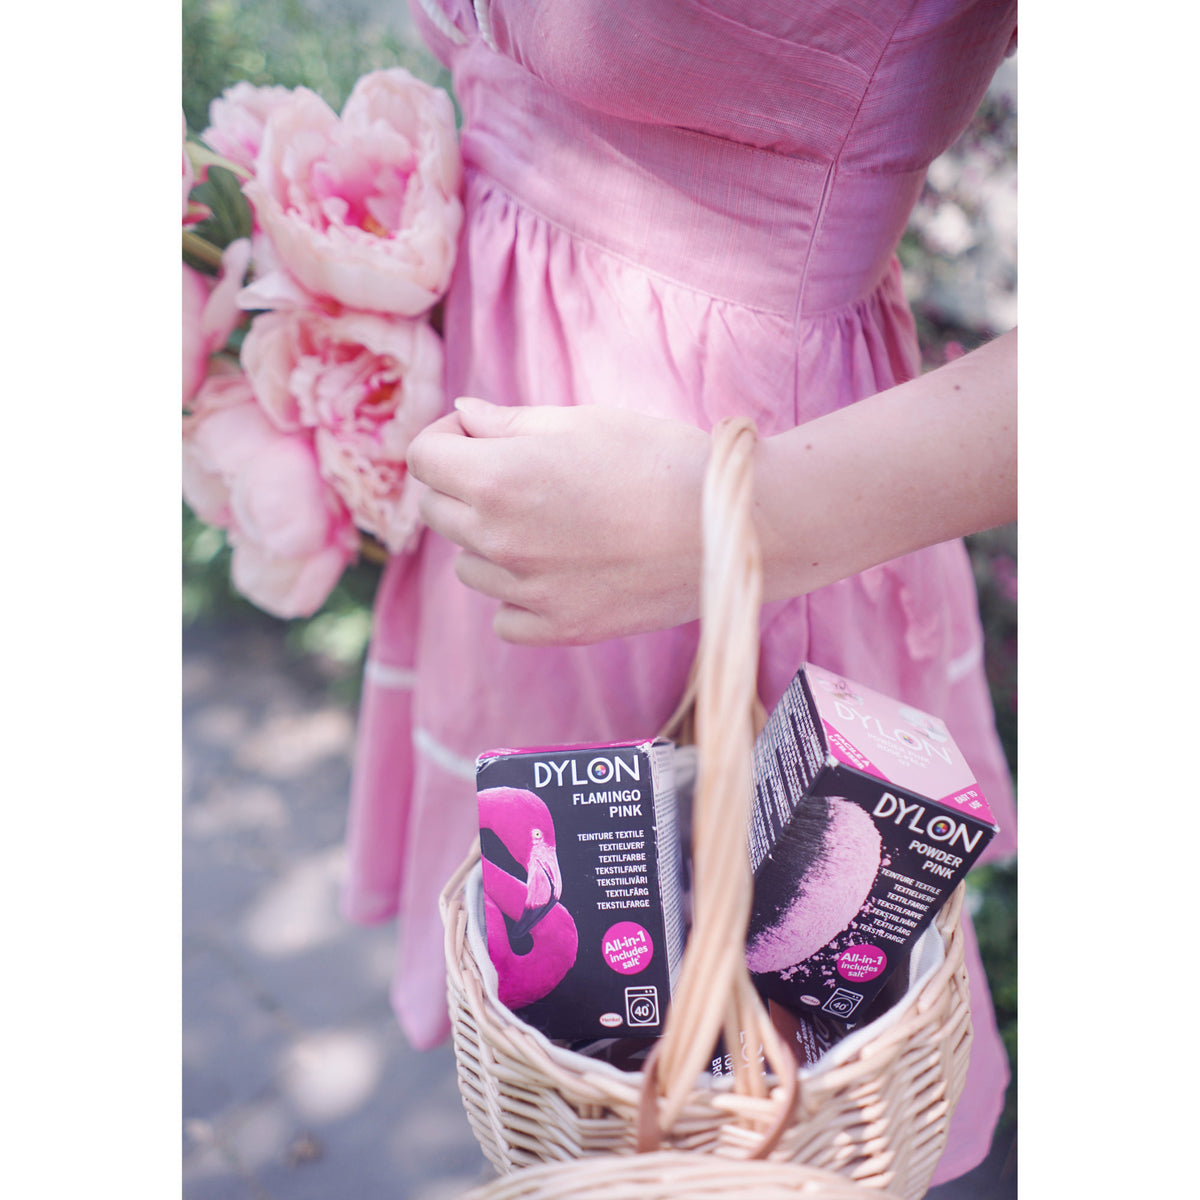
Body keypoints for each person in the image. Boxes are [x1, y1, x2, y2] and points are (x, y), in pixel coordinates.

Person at [342, 1, 1018, 1187]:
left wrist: (738, 521)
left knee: (727, 1119)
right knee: (573, 1090)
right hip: (517, 534)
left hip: (734, 542)